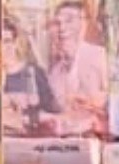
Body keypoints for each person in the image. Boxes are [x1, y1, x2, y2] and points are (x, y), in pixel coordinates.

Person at [45, 0, 109, 137]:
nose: (62, 28)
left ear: (83, 23)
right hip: (68, 144)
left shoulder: (100, 57)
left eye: (69, 21)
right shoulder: (55, 73)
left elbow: (115, 104)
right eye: (57, 23)